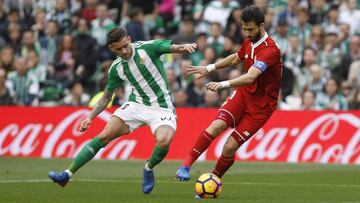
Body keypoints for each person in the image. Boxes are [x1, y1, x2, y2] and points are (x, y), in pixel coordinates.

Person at [49, 27, 197, 194]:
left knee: (163, 140)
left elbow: (170, 47)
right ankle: (66, 174)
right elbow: (106, 97)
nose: (124, 51)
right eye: (119, 49)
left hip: (162, 107)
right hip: (136, 105)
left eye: (126, 45)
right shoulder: (116, 68)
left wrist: (184, 47)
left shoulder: (147, 48)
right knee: (104, 136)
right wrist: (90, 117)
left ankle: (148, 168)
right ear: (112, 48)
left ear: (129, 38)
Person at [175, 6, 282, 184]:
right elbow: (235, 58)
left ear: (261, 26)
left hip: (261, 107)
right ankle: (185, 165)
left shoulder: (270, 49)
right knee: (216, 125)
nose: (247, 33)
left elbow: (250, 77)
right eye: (244, 28)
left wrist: (222, 84)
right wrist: (209, 68)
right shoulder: (249, 41)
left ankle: (213, 181)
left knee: (229, 147)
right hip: (243, 95)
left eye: (250, 29)